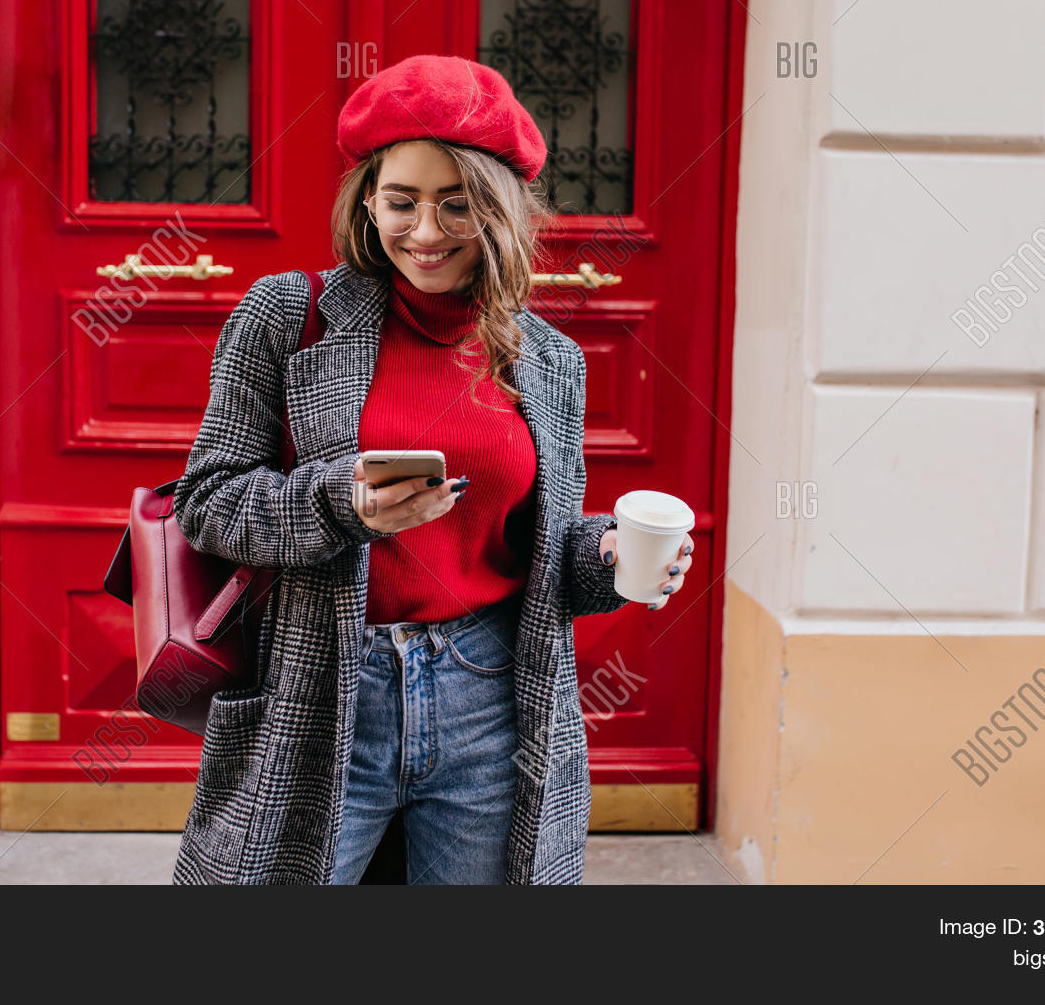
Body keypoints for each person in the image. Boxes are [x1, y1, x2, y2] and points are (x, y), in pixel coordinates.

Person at [169, 54, 692, 885]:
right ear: (367, 201)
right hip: (326, 686)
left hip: (487, 698)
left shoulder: (545, 358)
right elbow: (208, 503)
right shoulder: (289, 315)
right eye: (401, 202)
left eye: (457, 206)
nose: (425, 232)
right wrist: (343, 504)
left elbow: (539, 552)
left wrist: (606, 559)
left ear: (501, 212)